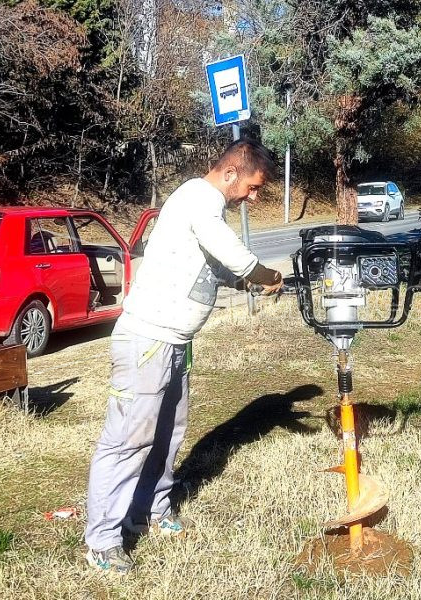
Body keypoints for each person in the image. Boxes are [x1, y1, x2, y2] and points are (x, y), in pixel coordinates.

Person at [84, 139, 284, 575]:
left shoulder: (204, 207)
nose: (253, 198)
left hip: (174, 341)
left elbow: (207, 270)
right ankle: (102, 541)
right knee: (125, 441)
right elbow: (235, 256)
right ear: (231, 173)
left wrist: (245, 283)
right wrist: (266, 275)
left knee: (167, 436)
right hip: (147, 340)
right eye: (252, 187)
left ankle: (150, 511)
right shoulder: (199, 198)